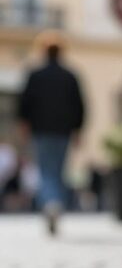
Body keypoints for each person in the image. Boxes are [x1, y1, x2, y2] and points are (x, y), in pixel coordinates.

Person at [17, 31, 86, 236]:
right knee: (58, 170)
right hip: (63, 130)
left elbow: (25, 102)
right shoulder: (70, 76)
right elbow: (80, 106)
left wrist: (24, 124)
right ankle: (55, 203)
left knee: (46, 170)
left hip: (41, 130)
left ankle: (50, 203)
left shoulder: (35, 75)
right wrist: (78, 129)